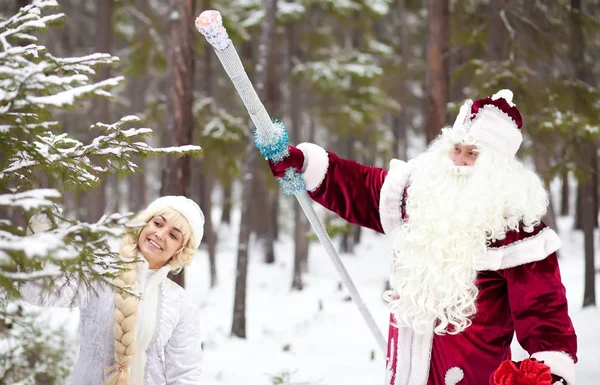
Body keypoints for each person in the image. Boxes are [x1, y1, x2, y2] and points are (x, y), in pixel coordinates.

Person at [268, 90, 577, 385]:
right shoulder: (419, 195)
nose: (458, 160)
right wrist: (304, 164)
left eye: (473, 154)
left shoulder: (518, 234)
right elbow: (358, 187)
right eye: (456, 149)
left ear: (496, 168)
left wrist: (548, 372)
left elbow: (545, 314)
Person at [21, 196, 205, 385]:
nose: (160, 234)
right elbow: (37, 293)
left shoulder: (180, 303)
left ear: (180, 250)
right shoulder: (100, 272)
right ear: (143, 224)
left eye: (173, 235)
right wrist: (40, 234)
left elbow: (185, 374)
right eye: (157, 223)